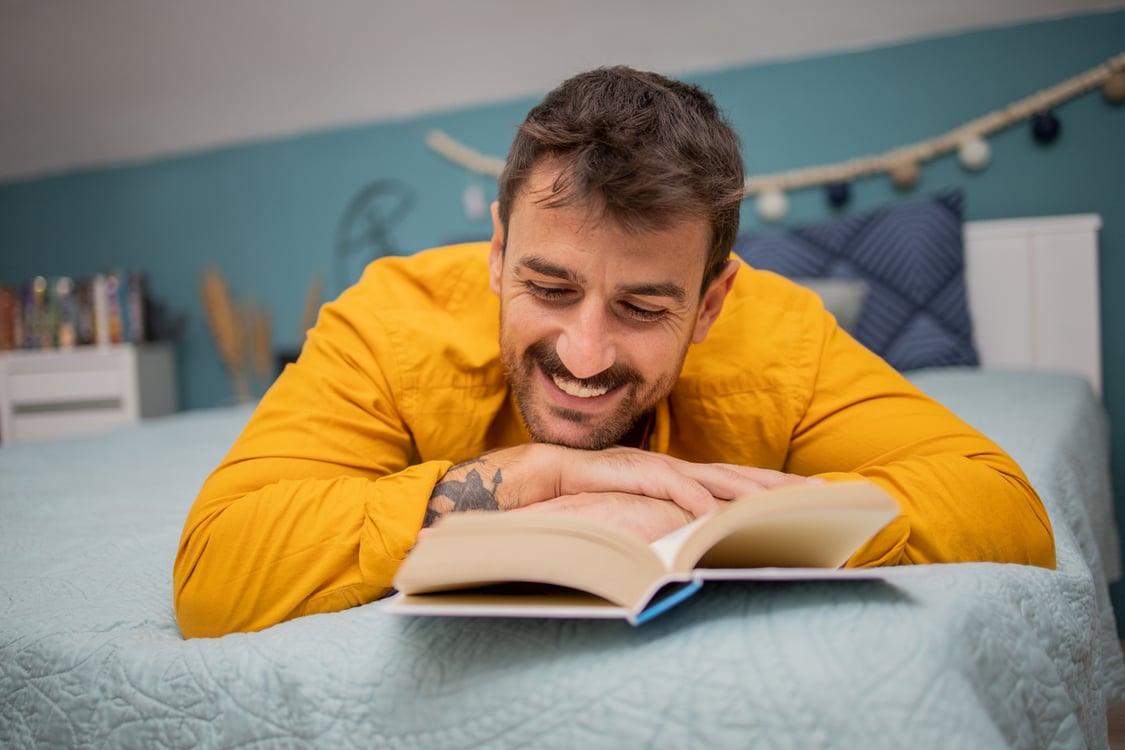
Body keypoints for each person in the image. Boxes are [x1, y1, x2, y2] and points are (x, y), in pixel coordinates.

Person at [173, 66, 1055, 639]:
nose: (584, 355)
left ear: (710, 301)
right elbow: (217, 565)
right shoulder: (386, 319)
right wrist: (539, 478)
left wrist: (746, 514)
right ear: (495, 253)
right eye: (549, 289)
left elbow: (1007, 512)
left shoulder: (781, 334)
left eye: (640, 306)